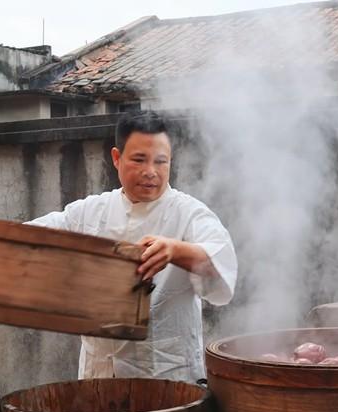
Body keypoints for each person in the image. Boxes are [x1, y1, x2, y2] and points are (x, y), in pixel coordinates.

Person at [28, 110, 237, 382]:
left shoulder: (188, 212)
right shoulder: (91, 211)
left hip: (165, 377)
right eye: (139, 160)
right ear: (117, 158)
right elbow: (34, 235)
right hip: (98, 377)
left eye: (161, 161)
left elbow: (220, 258)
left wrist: (175, 250)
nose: (151, 172)